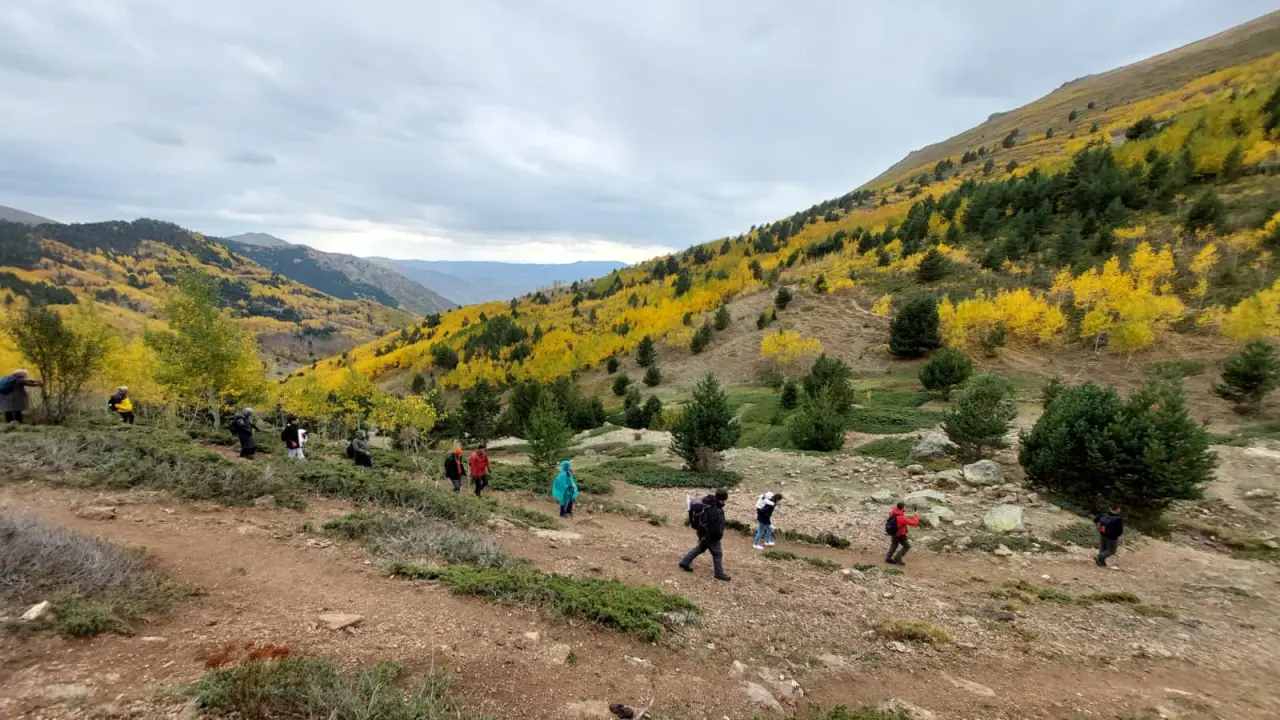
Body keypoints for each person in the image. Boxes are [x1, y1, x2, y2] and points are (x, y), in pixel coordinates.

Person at [680, 487, 731, 581]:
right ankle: (719, 573)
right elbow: (714, 528)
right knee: (717, 553)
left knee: (700, 548)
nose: (725, 502)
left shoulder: (710, 504)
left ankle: (684, 562)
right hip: (710, 536)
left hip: (703, 534)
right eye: (724, 500)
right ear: (721, 499)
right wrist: (717, 537)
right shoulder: (714, 510)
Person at [885, 501, 920, 566]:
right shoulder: (902, 518)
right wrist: (916, 515)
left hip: (893, 532)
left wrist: (903, 513)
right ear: (902, 508)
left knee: (894, 544)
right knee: (907, 546)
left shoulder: (893, 512)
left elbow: (895, 512)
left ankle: (888, 558)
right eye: (905, 507)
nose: (906, 508)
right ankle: (897, 557)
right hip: (900, 534)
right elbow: (914, 523)